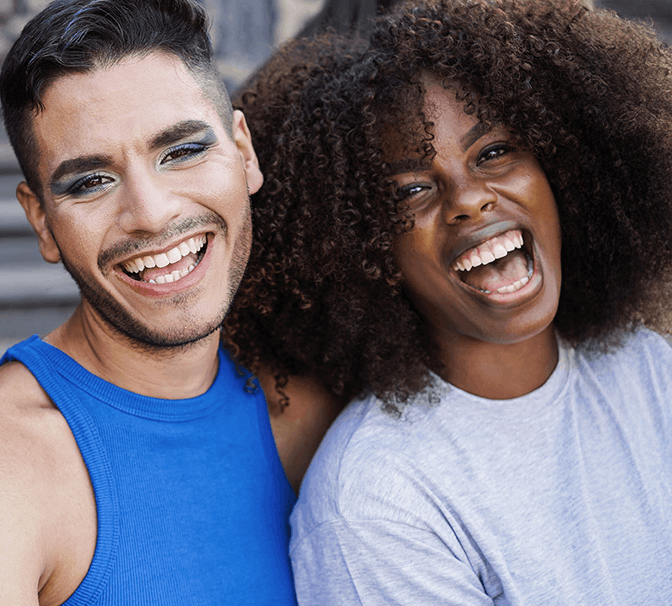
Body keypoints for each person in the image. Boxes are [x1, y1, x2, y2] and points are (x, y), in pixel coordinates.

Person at [226, 0, 672, 603]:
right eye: (411, 190)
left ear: (562, 167)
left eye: (493, 153)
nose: (469, 199)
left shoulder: (650, 370)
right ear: (364, 248)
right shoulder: (377, 501)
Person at [0, 1, 340, 604]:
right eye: (90, 182)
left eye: (183, 151)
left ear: (244, 153)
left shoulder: (305, 407)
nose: (151, 213)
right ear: (42, 222)